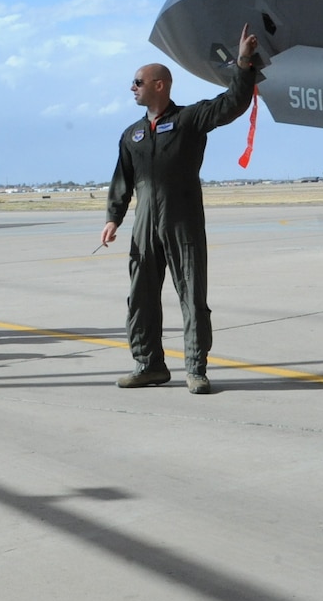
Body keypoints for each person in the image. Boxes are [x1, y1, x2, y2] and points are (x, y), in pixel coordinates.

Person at [101, 30, 261, 394]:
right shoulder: (132, 135)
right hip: (145, 226)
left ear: (160, 85)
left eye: (138, 82)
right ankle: (148, 365)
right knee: (140, 298)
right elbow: (122, 179)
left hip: (182, 221)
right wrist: (113, 218)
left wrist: (244, 63)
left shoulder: (190, 120)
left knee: (191, 295)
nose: (133, 88)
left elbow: (232, 103)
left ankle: (196, 369)